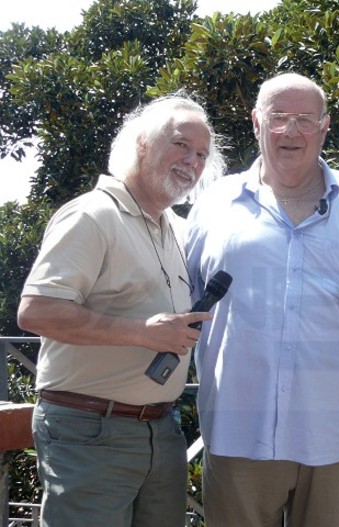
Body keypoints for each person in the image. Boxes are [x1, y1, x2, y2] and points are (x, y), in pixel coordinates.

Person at [185, 72, 339, 527]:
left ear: (324, 127)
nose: (291, 131)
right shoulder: (212, 202)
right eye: (278, 117)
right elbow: (183, 298)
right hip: (238, 427)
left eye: (305, 119)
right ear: (255, 123)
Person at [17, 93, 225, 527]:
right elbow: (37, 312)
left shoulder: (179, 229)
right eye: (181, 144)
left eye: (202, 154)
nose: (193, 160)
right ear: (142, 144)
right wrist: (143, 333)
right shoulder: (92, 215)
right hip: (89, 428)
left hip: (160, 430)